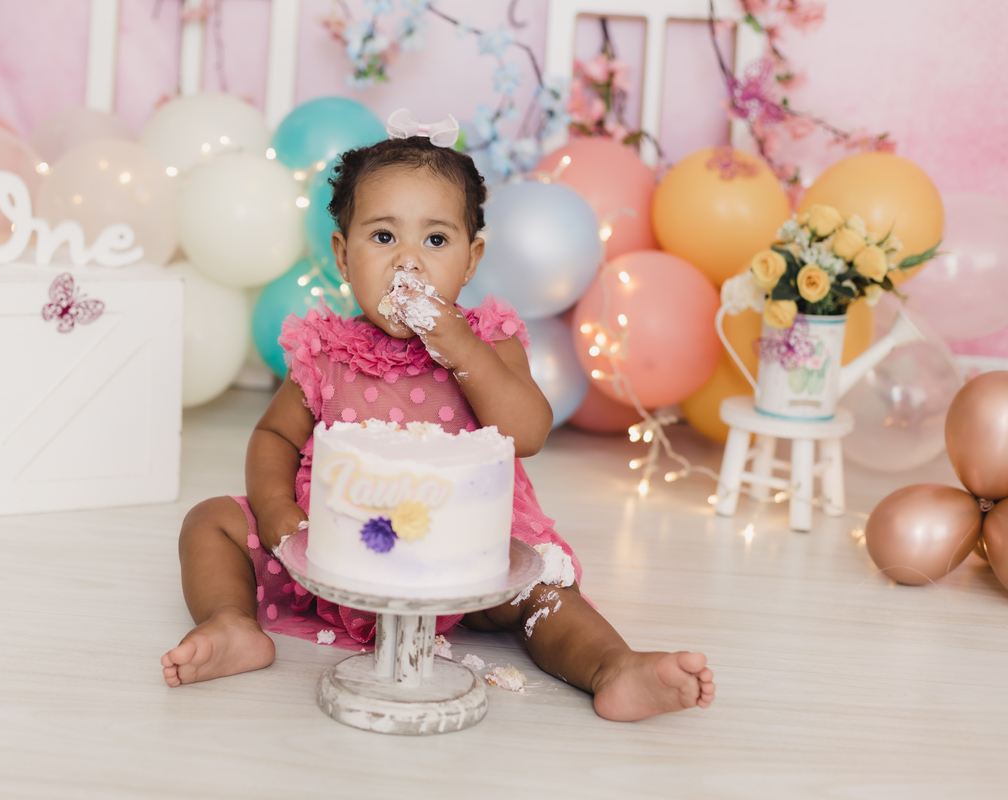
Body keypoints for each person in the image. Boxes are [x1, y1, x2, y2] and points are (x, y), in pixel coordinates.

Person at [161, 114, 715, 721]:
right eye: (383, 237)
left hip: (468, 552)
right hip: (340, 542)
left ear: (471, 259)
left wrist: (459, 345)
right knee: (208, 522)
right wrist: (276, 512)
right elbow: (273, 435)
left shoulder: (489, 341)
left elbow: (528, 432)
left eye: (435, 241)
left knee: (544, 594)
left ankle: (612, 666)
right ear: (342, 256)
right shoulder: (326, 351)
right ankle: (232, 623)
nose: (409, 263)